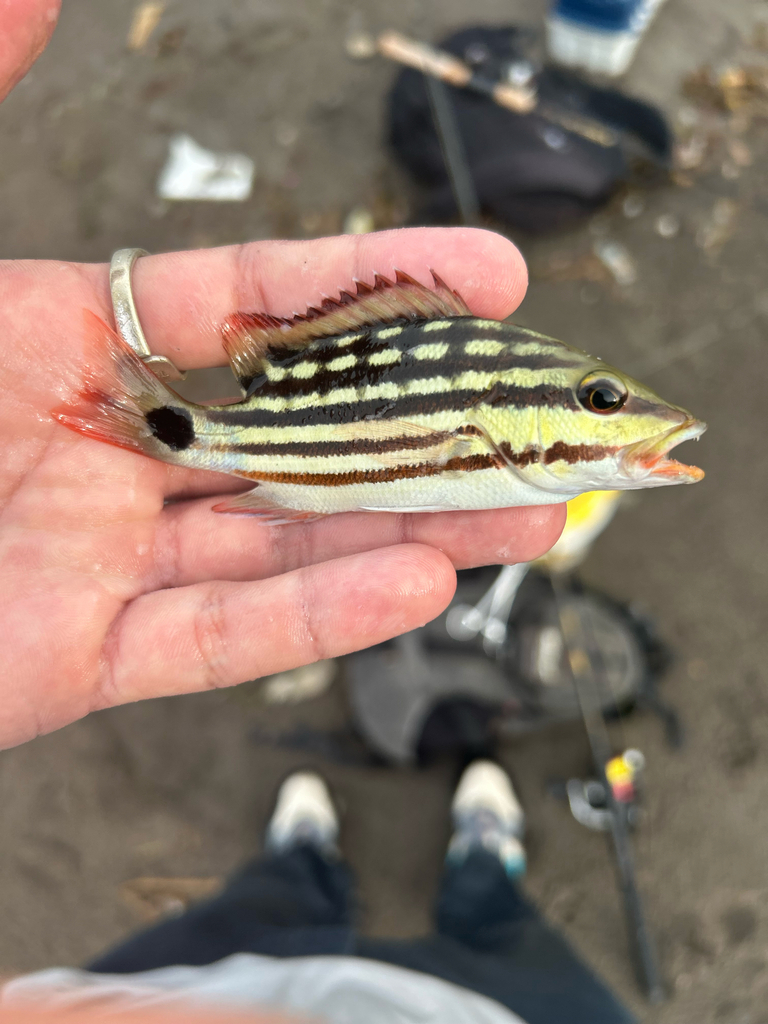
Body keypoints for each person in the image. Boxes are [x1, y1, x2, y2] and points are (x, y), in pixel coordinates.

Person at [0, 0, 564, 753]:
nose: (622, 413)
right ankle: (155, 419)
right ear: (514, 408)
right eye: (600, 399)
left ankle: (160, 420)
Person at [2, 762, 636, 1024]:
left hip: (209, 981)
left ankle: (304, 858)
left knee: (267, 902)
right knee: (507, 932)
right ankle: (484, 867)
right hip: (498, 1013)